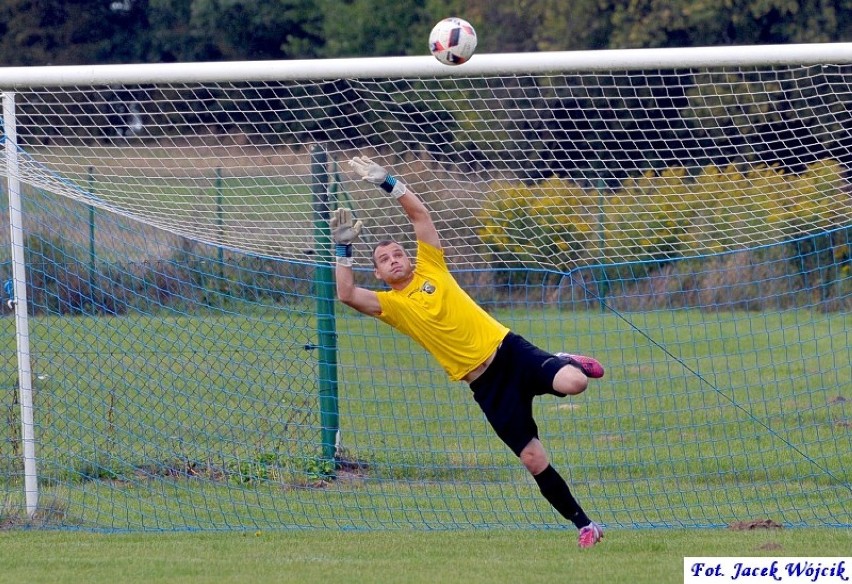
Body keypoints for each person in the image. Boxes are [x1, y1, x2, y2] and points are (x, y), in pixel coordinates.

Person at [332, 155, 605, 548]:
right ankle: (584, 524)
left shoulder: (432, 268)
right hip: (486, 387)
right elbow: (346, 294)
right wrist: (342, 249)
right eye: (384, 260)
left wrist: (387, 181)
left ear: (409, 258)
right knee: (532, 459)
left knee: (576, 382)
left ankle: (564, 360)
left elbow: (420, 217)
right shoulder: (390, 306)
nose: (394, 261)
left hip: (510, 351)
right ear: (378, 273)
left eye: (397, 254)